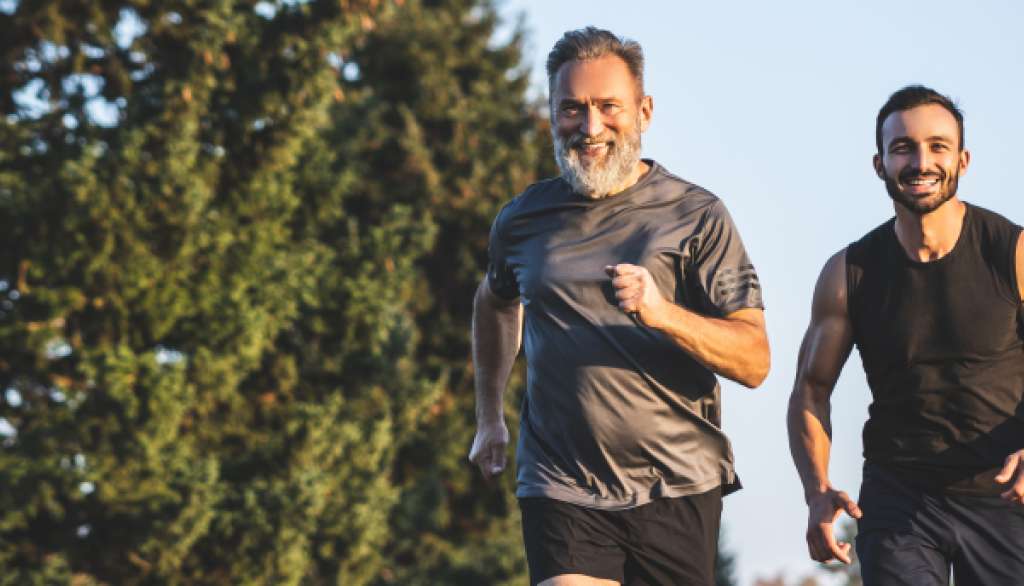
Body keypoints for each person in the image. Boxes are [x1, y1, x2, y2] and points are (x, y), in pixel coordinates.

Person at [468, 27, 769, 586]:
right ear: (552, 114)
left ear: (644, 110)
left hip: (678, 485)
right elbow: (494, 302)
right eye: (572, 109)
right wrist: (489, 417)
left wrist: (662, 313)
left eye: (609, 107)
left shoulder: (697, 215)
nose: (590, 127)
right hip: (561, 484)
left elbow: (754, 360)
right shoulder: (522, 221)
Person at [787, 85, 1024, 585]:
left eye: (937, 146)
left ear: (963, 159)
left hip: (1005, 495)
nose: (921, 161)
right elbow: (811, 388)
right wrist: (817, 490)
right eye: (903, 148)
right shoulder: (849, 273)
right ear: (880, 164)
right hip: (900, 498)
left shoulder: (1014, 254)